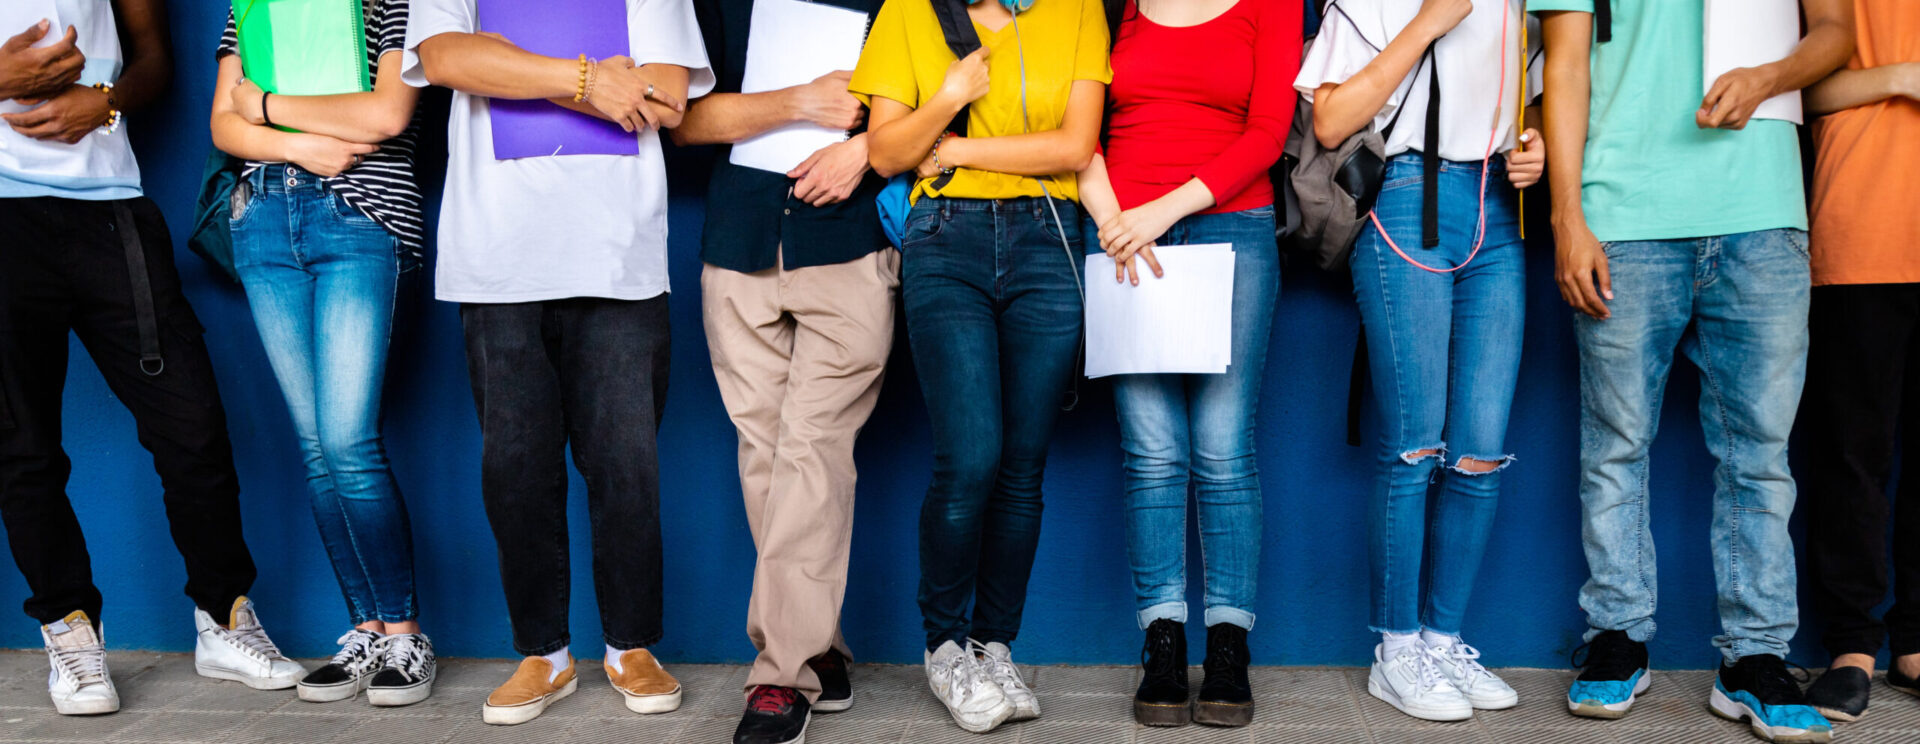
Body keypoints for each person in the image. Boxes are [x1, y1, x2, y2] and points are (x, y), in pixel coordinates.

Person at [1534, 1, 1853, 741]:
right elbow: (1567, 63)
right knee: (1615, 445)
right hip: (1625, 210)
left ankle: (1755, 658)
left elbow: (1837, 32)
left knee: (1760, 457)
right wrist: (1567, 217)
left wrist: (1771, 75)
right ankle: (1617, 637)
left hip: (1762, 213)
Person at [402, 0, 712, 725]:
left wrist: (509, 63)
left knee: (626, 465)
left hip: (618, 254)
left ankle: (631, 645)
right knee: (515, 465)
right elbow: (446, 58)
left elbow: (665, 95)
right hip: (498, 255)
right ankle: (542, 653)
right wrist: (585, 80)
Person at [0, 0, 306, 717]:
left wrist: (103, 102)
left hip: (110, 206)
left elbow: (153, 59)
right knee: (23, 449)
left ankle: (224, 617)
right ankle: (68, 630)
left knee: (192, 427)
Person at [851, 0, 1108, 733]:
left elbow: (1075, 145)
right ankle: (944, 649)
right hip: (946, 240)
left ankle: (994, 646)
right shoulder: (909, 12)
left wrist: (958, 151)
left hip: (1047, 237)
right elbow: (885, 153)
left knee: (1023, 468)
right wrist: (948, 100)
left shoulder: (1078, 9)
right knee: (971, 459)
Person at [1296, 0, 1542, 723]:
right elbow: (1332, 121)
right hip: (1405, 196)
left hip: (1496, 206)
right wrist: (1430, 20)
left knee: (1480, 452)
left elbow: (1527, 95)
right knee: (1413, 446)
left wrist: (1536, 146)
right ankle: (1395, 650)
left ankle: (1442, 639)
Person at [1071, 0, 1298, 728]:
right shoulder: (1114, 5)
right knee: (1152, 453)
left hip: (1231, 229)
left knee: (1225, 449)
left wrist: (1160, 212)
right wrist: (1112, 218)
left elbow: (1268, 133)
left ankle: (1228, 649)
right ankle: (1163, 646)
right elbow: (1077, 119)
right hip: (1122, 236)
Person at [674, 0, 891, 741]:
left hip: (852, 245)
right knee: (764, 455)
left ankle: (780, 676)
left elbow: (947, 108)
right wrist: (799, 103)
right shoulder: (714, 4)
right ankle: (819, 646)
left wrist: (864, 149)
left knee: (811, 448)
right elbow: (681, 120)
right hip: (737, 243)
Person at [208, 0, 433, 707]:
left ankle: (405, 635)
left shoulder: (396, 3)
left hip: (357, 216)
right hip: (263, 217)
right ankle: (364, 628)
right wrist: (303, 142)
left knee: (348, 441)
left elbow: (388, 115)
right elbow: (222, 124)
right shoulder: (250, 7)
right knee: (315, 446)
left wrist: (266, 106)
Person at [1796, 0, 1920, 724]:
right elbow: (1795, 91)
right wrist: (1900, 76)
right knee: (1851, 456)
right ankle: (1851, 647)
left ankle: (1914, 641)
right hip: (1860, 232)